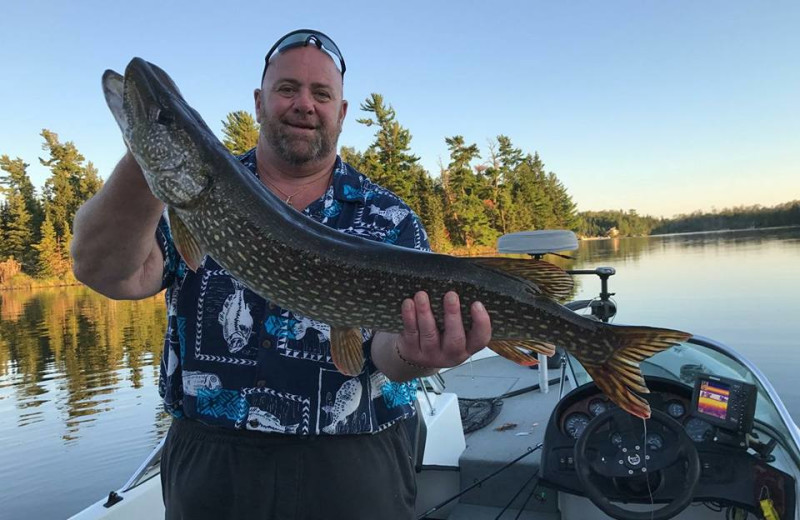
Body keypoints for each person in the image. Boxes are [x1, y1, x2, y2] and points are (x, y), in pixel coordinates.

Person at [71, 29, 492, 520]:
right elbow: (110, 273)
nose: (304, 104)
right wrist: (147, 155)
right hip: (211, 465)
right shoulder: (191, 198)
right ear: (259, 101)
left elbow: (385, 352)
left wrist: (418, 355)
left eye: (321, 93)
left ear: (341, 111)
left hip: (353, 464)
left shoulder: (389, 219)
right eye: (287, 88)